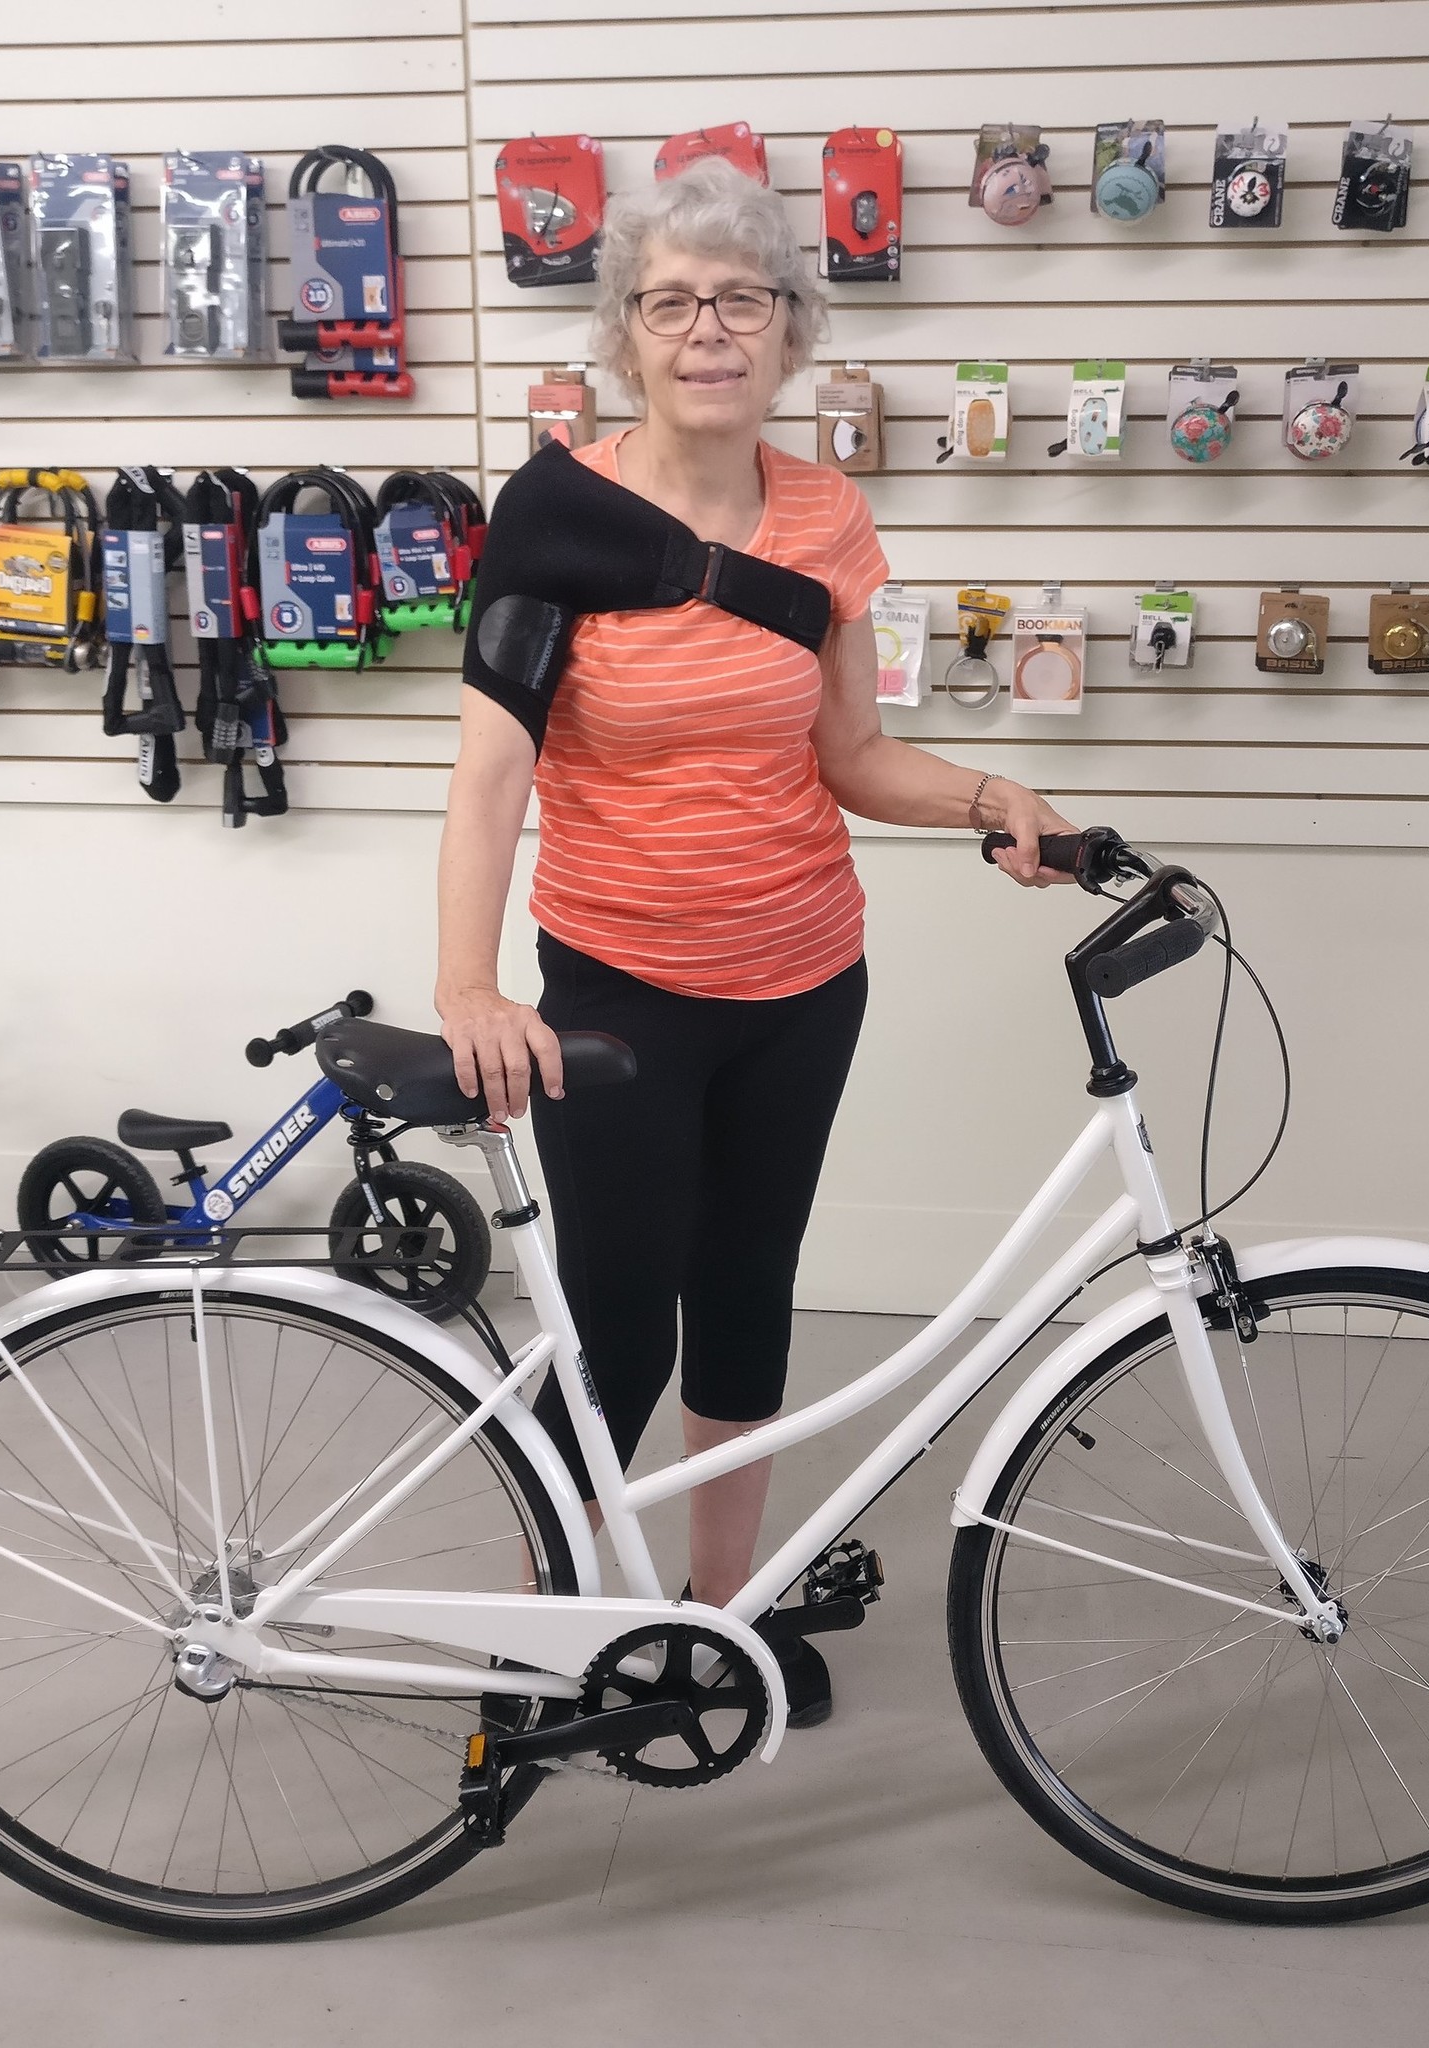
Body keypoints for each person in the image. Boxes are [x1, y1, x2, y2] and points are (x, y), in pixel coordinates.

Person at [436, 156, 1074, 1724]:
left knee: (745, 1297)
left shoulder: (831, 515)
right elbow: (490, 776)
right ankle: (547, 1631)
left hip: (804, 981)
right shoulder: (559, 513)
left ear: (789, 330)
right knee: (619, 1327)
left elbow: (850, 756)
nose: (707, 330)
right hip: (618, 991)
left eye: (740, 300)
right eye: (670, 303)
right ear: (626, 336)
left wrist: (994, 790)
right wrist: (468, 984)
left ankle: (724, 1615)